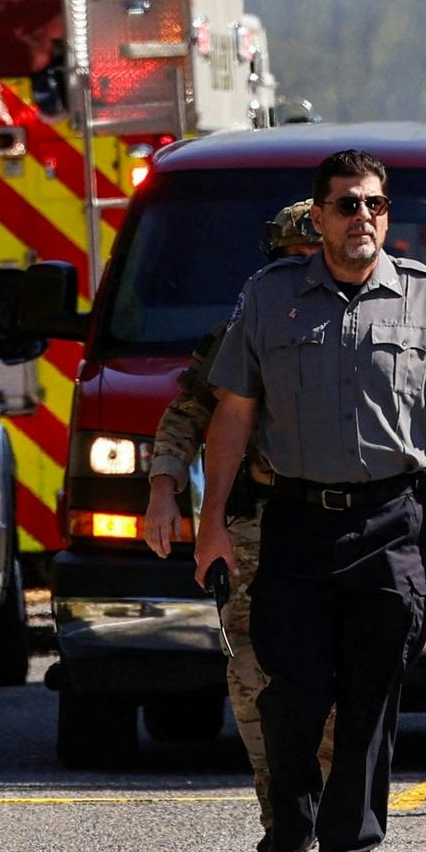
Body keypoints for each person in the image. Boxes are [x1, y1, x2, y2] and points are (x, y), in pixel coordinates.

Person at [196, 151, 426, 852]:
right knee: (294, 695)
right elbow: (231, 417)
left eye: (373, 205)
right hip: (296, 523)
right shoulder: (268, 299)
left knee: (370, 706)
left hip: (390, 525)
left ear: (386, 216)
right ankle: (287, 837)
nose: (361, 218)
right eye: (344, 205)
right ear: (318, 217)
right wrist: (211, 525)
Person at [142, 199, 328, 808]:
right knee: (251, 668)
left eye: (314, 259)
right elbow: (187, 414)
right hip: (255, 526)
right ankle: (282, 815)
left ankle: (331, 808)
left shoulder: (370, 330)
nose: (303, 273)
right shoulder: (239, 336)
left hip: (339, 525)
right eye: (290, 261)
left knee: (335, 675)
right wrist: (165, 490)